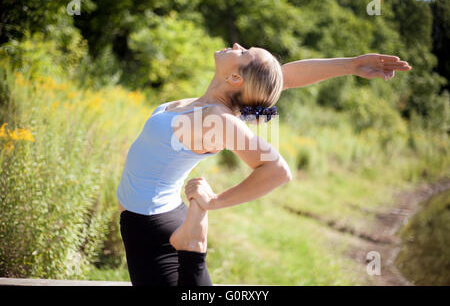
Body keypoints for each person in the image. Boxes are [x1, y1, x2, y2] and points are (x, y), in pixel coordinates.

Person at [117, 43, 411, 286]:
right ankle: (193, 241)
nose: (236, 45)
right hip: (159, 217)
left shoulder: (216, 119)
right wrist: (351, 64)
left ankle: (193, 242)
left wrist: (215, 202)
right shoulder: (210, 107)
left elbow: (277, 170)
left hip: (152, 231)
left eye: (243, 52)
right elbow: (284, 76)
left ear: (236, 79)